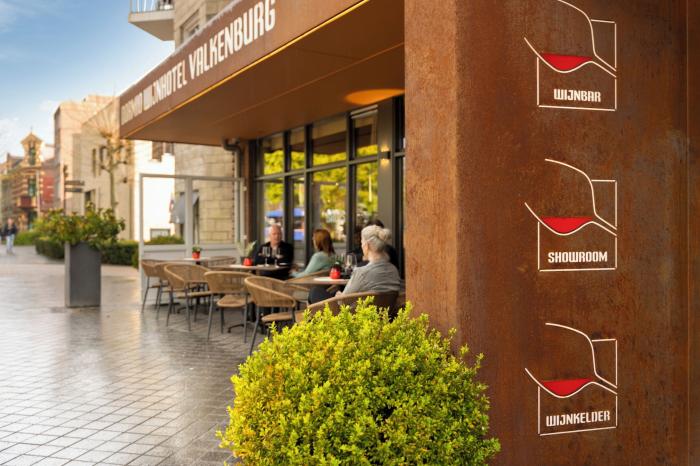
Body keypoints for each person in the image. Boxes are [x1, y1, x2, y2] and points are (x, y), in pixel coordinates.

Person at [309, 224, 400, 303]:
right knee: (331, 292)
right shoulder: (394, 270)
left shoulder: (361, 273)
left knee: (315, 292)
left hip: (352, 315)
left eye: (361, 242)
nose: (361, 245)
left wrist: (339, 295)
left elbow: (342, 301)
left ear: (366, 246)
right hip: (382, 313)